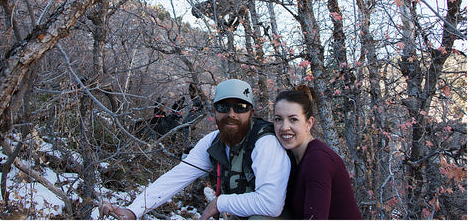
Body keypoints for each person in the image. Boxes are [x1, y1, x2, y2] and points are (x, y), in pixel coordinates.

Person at [100, 79, 291, 220]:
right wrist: (134, 210)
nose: (231, 114)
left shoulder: (265, 143)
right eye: (224, 107)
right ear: (214, 112)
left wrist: (219, 202)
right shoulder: (213, 142)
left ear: (251, 113)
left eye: (240, 107)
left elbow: (271, 205)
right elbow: (177, 177)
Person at [273, 85, 362, 220]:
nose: (285, 127)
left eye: (293, 119)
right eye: (278, 119)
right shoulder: (290, 158)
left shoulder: (317, 159)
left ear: (309, 123)